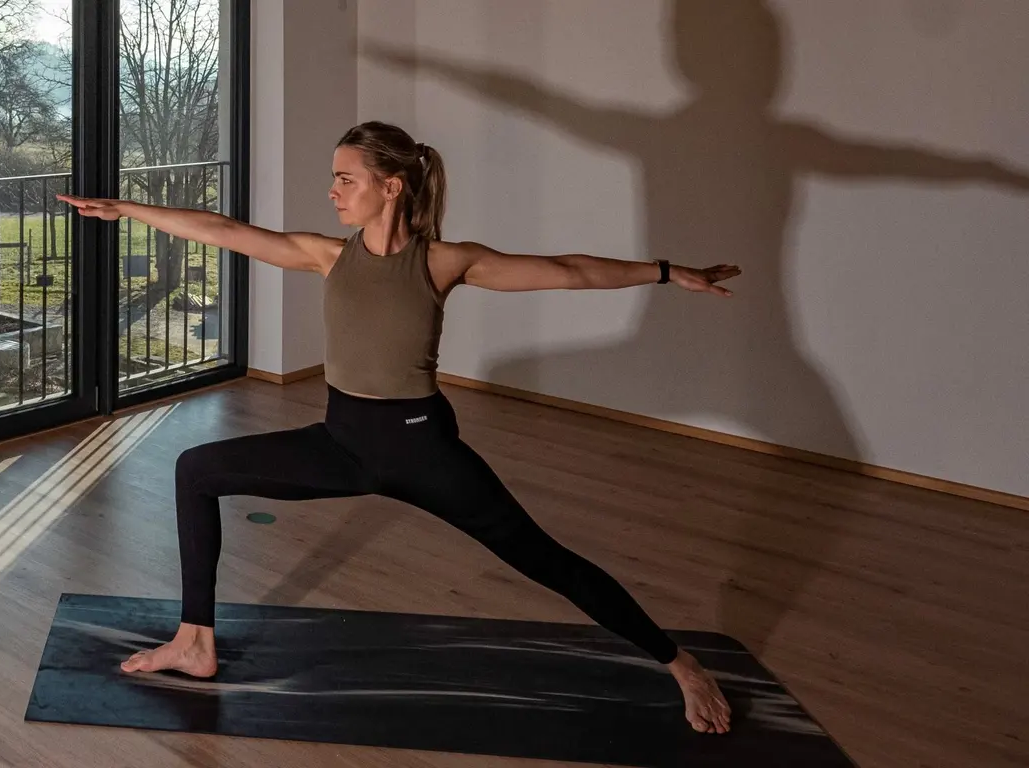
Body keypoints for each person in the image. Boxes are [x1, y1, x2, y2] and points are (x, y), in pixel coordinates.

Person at [57, 121, 740, 735]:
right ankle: (195, 641)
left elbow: (569, 271)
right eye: (333, 178)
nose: (332, 191)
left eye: (345, 179)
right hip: (341, 444)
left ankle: (679, 664)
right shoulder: (328, 255)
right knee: (196, 470)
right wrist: (126, 210)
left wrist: (667, 272)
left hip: (423, 451)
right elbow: (224, 230)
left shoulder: (444, 262)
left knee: (545, 559)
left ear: (391, 186)